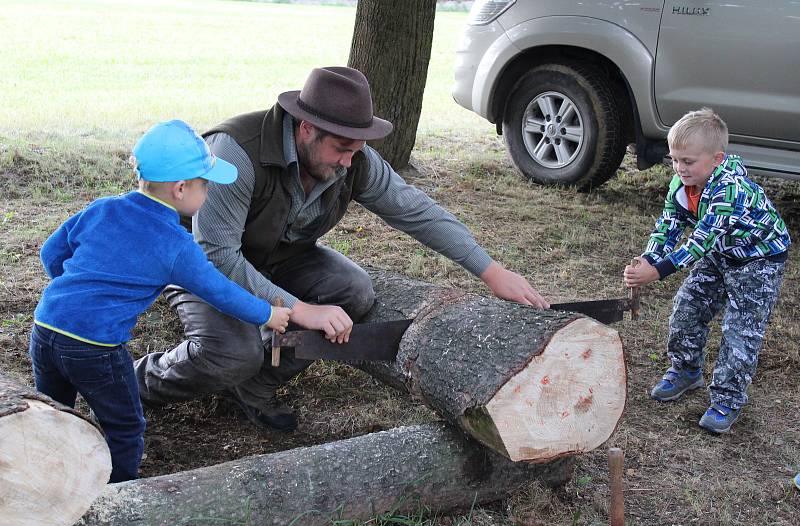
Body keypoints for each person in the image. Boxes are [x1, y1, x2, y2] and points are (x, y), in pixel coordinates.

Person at [134, 66, 550, 432]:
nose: (349, 163)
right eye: (341, 150)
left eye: (355, 151)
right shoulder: (237, 152)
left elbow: (415, 210)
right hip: (195, 263)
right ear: (306, 128)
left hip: (274, 259)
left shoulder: (354, 159)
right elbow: (216, 255)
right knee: (233, 353)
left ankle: (254, 386)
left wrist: (490, 270)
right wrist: (298, 309)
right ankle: (129, 383)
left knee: (354, 291)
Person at [29, 120, 291, 482]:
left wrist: (77, 297)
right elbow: (220, 292)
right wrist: (268, 313)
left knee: (53, 412)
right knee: (125, 426)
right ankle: (117, 496)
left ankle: (45, 474)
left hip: (45, 327)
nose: (209, 191)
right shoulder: (175, 244)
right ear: (182, 189)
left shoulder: (102, 208)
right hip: (95, 348)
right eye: (206, 184)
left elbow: (51, 253)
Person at [624, 108, 790, 434]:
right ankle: (686, 370)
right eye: (674, 159)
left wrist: (657, 272)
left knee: (740, 334)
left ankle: (727, 399)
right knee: (687, 308)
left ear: (716, 159)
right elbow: (668, 228)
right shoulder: (681, 186)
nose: (679, 168)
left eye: (688, 162)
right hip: (721, 253)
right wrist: (648, 258)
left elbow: (699, 243)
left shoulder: (730, 190)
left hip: (758, 262)